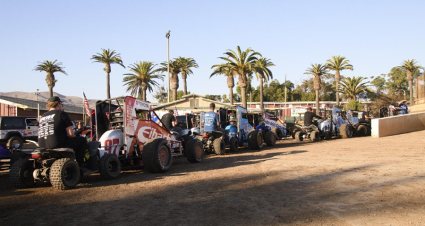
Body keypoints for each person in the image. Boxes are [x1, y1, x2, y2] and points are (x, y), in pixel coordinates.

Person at [38, 96, 88, 170]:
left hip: (42, 145)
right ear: (58, 104)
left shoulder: (43, 116)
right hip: (57, 144)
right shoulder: (61, 114)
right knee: (82, 140)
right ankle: (80, 165)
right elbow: (70, 134)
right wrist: (75, 134)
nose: (61, 106)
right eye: (61, 104)